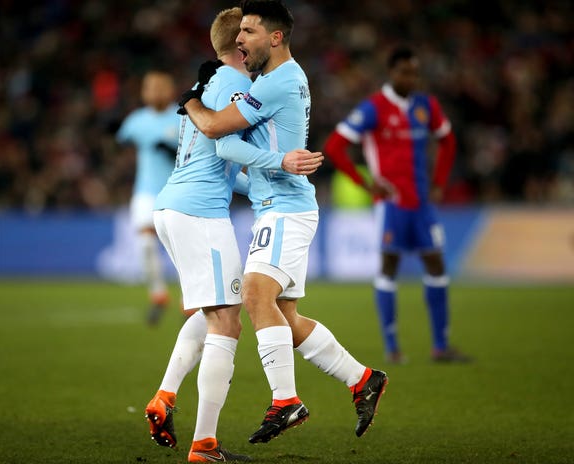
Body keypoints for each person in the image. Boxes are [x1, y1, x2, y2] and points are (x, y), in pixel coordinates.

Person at [181, 0, 388, 445]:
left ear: (275, 37)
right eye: (239, 34)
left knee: (255, 295)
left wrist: (191, 101)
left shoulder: (277, 83)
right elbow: (230, 148)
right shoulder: (277, 79)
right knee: (285, 318)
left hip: (285, 208)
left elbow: (217, 130)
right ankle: (363, 378)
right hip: (278, 206)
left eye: (249, 32)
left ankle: (285, 401)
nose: (240, 40)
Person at [144, 7, 320, 462]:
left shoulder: (208, 85)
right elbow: (222, 141)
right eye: (244, 33)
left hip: (174, 205)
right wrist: (281, 163)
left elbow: (220, 165)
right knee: (227, 321)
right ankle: (204, 444)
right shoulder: (238, 85)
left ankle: (165, 397)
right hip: (200, 212)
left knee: (213, 313)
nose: (248, 40)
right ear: (240, 46)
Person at [323, 46, 471, 364]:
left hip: (422, 204)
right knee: (389, 268)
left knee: (436, 265)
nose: (411, 78)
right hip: (390, 205)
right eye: (405, 72)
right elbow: (334, 147)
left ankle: (440, 346)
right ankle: (392, 348)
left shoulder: (425, 105)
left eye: (415, 72)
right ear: (392, 73)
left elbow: (448, 140)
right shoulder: (374, 108)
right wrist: (365, 183)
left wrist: (439, 183)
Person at [116, 70, 179, 325]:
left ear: (169, 90)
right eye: (148, 87)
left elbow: (198, 151)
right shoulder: (137, 120)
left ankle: (191, 301)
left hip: (176, 191)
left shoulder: (182, 116)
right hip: (144, 191)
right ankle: (158, 294)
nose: (152, 92)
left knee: (181, 247)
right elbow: (119, 141)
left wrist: (173, 151)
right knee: (145, 244)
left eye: (158, 87)